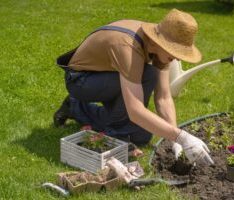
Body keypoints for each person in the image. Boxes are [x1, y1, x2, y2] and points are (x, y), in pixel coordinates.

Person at [54, 9, 214, 165]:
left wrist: (174, 139)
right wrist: (183, 137)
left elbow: (164, 97)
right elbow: (135, 111)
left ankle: (75, 107)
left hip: (106, 75)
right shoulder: (128, 47)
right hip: (81, 80)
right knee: (148, 75)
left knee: (141, 135)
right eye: (175, 51)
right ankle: (116, 139)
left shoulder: (157, 47)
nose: (177, 58)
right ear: (161, 42)